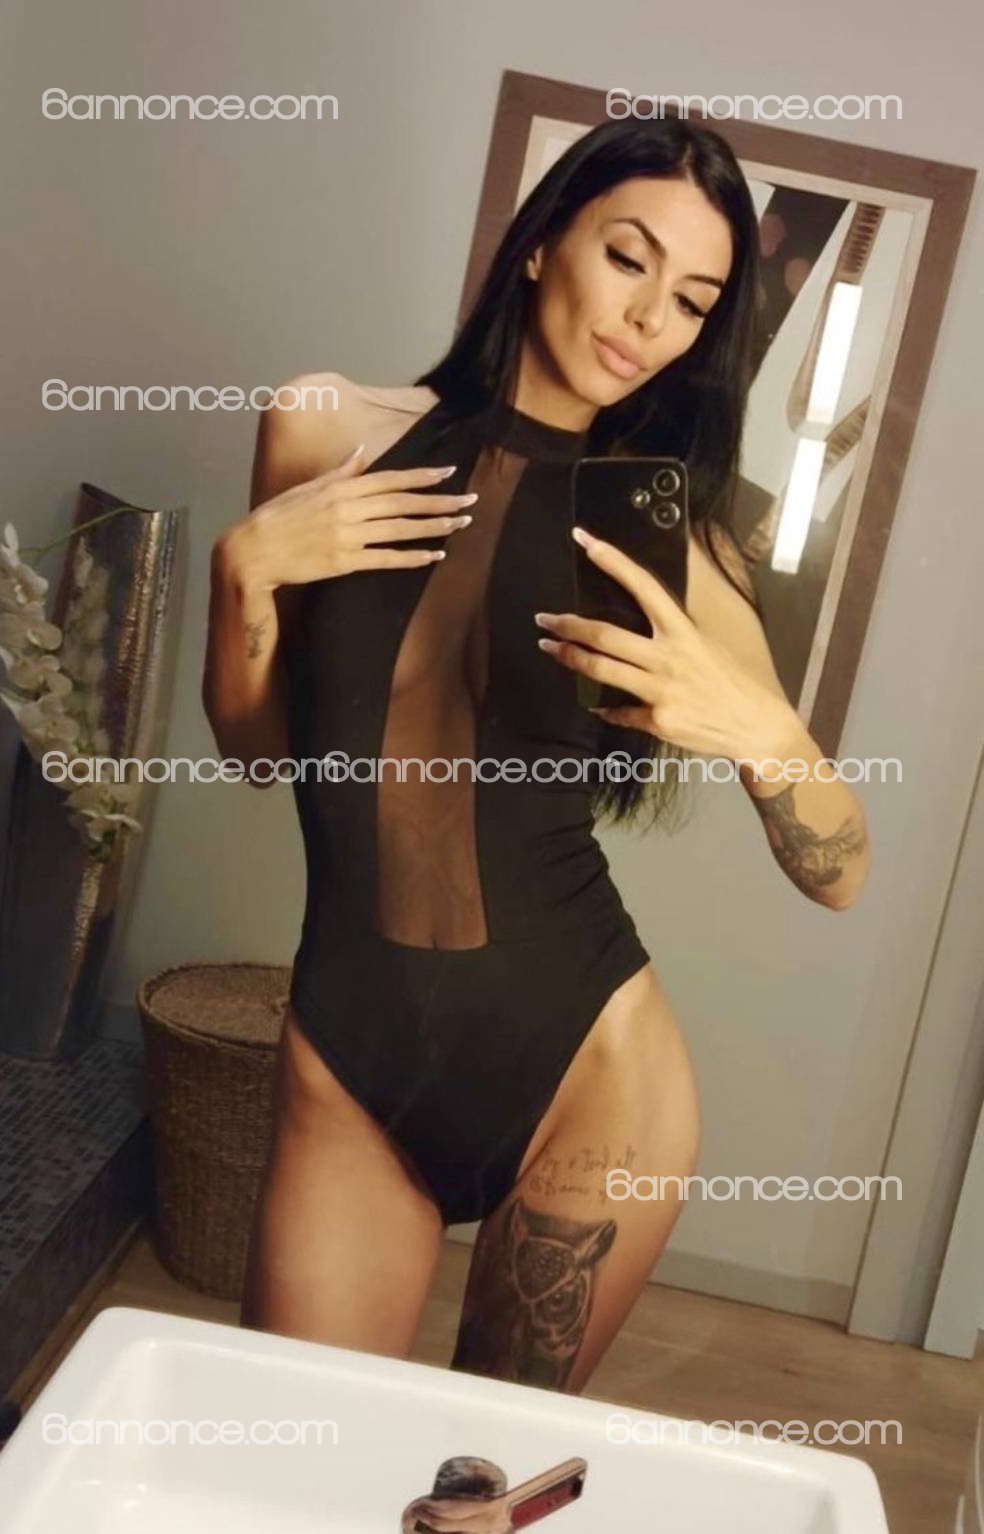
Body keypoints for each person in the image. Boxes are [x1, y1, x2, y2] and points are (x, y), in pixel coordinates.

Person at [203, 118, 870, 1394]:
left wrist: (757, 730)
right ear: (540, 242)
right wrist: (245, 572)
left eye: (693, 302)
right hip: (347, 1060)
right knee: (295, 1459)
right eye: (627, 258)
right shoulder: (325, 430)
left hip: (587, 1080)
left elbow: (840, 872)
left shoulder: (677, 556)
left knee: (473, 1483)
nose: (649, 320)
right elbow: (255, 753)